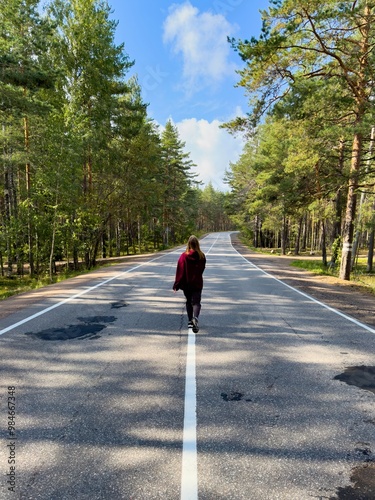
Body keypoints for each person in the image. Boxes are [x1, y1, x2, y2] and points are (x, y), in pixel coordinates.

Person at [173, 235, 206, 333]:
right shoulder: (201, 256)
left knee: (188, 301)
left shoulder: (184, 256)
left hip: (187, 283)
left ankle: (189, 321)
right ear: (197, 244)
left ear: (188, 244)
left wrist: (177, 284)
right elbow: (202, 269)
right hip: (197, 282)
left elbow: (180, 270)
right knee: (196, 302)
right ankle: (195, 318)